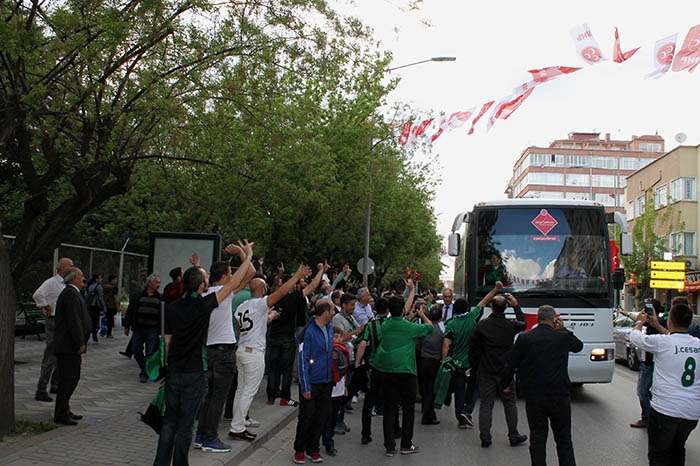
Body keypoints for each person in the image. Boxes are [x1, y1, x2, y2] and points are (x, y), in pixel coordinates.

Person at [153, 240, 254, 466]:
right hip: (195, 369)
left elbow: (166, 342)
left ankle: (160, 462)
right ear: (200, 287)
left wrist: (163, 370)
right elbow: (233, 283)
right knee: (185, 423)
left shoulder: (171, 307)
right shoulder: (203, 304)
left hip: (174, 370)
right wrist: (247, 256)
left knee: (169, 420)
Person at [228, 264, 311, 442]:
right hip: (254, 352)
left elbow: (241, 328)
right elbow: (281, 292)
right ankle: (237, 427)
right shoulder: (260, 304)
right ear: (264, 288)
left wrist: (269, 318)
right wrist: (296, 276)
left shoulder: (242, 306)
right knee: (248, 392)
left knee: (240, 390)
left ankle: (238, 422)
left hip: (241, 348)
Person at [502, 305, 583, 466]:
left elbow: (511, 363)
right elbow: (578, 346)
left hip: (534, 395)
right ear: (554, 320)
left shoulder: (525, 338)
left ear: (538, 320)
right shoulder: (562, 337)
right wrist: (564, 329)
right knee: (564, 438)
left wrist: (505, 384)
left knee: (538, 437)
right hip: (559, 395)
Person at [194, 247, 254, 453]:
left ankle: (201, 436)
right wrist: (246, 255)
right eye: (229, 274)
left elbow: (251, 274)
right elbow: (246, 273)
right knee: (217, 398)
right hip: (223, 353)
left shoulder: (207, 295)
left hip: (211, 351)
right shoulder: (222, 294)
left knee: (209, 397)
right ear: (223, 278)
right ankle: (210, 437)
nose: (232, 277)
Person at [629, 302, 700, 466]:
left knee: (658, 456)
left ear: (669, 321)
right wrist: (655, 324)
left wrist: (640, 321)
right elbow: (677, 340)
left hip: (665, 410)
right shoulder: (697, 344)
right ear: (690, 323)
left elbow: (635, 337)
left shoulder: (661, 342)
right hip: (691, 413)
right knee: (678, 450)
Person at [372, 280, 432, 457]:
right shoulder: (410, 327)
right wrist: (422, 313)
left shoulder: (385, 325)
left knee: (390, 409)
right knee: (408, 409)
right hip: (406, 372)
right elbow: (429, 328)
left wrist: (411, 291)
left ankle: (389, 447)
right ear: (404, 311)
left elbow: (400, 311)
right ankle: (406, 444)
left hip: (388, 372)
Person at [469, 286, 528, 448]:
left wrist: (476, 365)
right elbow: (524, 323)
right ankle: (513, 434)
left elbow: (473, 348)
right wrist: (516, 306)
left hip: (486, 369)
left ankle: (485, 437)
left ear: (491, 307)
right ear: (506, 308)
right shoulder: (510, 325)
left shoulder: (482, 325)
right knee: (509, 403)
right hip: (505, 372)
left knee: (486, 404)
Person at [267, 262, 328, 406]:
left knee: (273, 369)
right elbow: (312, 286)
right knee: (287, 369)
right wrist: (321, 271)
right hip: (287, 337)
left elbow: (274, 286)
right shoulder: (293, 297)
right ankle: (285, 397)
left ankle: (271, 396)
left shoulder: (272, 298)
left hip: (273, 337)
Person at [293, 299, 335, 464]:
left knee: (321, 417)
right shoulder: (307, 332)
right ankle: (300, 449)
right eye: (332, 310)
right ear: (325, 313)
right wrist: (305, 385)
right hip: (312, 382)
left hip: (326, 381)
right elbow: (302, 360)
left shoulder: (330, 329)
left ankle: (313, 449)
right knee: (306, 417)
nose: (333, 313)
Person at [441, 293, 489, 429]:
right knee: (474, 387)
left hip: (457, 363)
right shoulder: (472, 317)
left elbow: (446, 344)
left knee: (459, 390)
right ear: (467, 308)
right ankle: (467, 410)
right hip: (471, 362)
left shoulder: (450, 324)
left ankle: (460, 417)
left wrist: (444, 361)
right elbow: (484, 301)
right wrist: (496, 289)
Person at [53, 267, 91, 425]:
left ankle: (65, 408)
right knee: (68, 379)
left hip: (69, 346)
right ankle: (61, 413)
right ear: (74, 278)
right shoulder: (70, 294)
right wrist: (80, 342)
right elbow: (73, 321)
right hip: (68, 346)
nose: (84, 279)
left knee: (70, 378)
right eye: (81, 276)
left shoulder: (73, 293)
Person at [32, 257, 73, 402]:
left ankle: (55, 383)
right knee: (51, 354)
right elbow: (37, 294)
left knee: (60, 354)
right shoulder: (51, 282)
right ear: (63, 269)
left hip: (62, 321)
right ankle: (41, 388)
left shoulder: (65, 284)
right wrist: (45, 305)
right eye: (70, 267)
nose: (72, 269)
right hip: (53, 320)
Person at [124, 273, 162, 383]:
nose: (158, 284)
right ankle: (145, 367)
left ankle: (144, 373)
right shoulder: (138, 296)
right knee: (136, 350)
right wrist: (127, 325)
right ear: (149, 283)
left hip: (153, 329)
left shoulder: (160, 298)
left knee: (150, 352)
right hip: (139, 328)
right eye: (156, 282)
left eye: (159, 282)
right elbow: (131, 311)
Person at [321, 326, 350, 457]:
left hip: (338, 388)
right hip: (328, 387)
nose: (338, 340)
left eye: (340, 337)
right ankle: (326, 441)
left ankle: (329, 438)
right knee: (325, 415)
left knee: (333, 416)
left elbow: (344, 371)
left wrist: (344, 387)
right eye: (335, 337)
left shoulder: (343, 352)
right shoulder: (328, 351)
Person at [419, 303, 444, 425]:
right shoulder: (442, 329)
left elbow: (418, 345)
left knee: (425, 387)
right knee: (431, 388)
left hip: (424, 360)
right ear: (441, 317)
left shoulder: (424, 328)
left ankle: (427, 410)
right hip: (435, 361)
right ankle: (427, 414)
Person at [85, 274, 106, 344]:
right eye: (100, 278)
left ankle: (86, 336)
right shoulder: (99, 286)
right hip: (96, 306)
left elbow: (87, 297)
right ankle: (94, 337)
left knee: (90, 321)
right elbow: (101, 298)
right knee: (95, 322)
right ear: (96, 279)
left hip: (89, 306)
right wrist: (104, 307)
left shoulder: (90, 286)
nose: (101, 280)